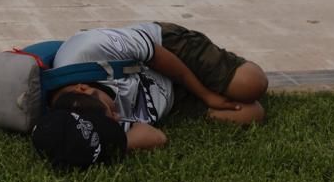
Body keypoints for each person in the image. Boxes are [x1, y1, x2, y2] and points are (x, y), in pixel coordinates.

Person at [30, 21, 267, 168]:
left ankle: (222, 72)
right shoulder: (89, 122)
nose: (118, 116)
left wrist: (206, 95)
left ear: (84, 88)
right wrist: (118, 143)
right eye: (113, 121)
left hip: (167, 51)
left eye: (111, 109)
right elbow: (157, 137)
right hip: (171, 99)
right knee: (252, 113)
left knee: (252, 84)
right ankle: (218, 86)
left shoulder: (86, 50)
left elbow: (155, 53)